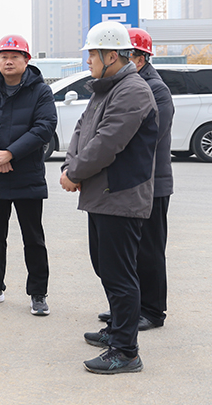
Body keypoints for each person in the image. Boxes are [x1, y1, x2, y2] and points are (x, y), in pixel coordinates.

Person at [60, 21, 159, 374]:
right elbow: (81, 130)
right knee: (105, 269)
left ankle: (126, 351)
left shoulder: (133, 91)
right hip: (102, 195)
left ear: (111, 55)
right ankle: (117, 330)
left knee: (119, 276)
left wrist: (74, 174)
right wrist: (71, 165)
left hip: (120, 196)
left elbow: (107, 142)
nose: (88, 61)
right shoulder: (106, 89)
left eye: (92, 54)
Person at [0, 34, 56, 316]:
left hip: (27, 175)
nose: (8, 61)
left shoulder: (41, 92)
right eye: (4, 56)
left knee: (33, 238)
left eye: (15, 56)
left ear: (26, 60)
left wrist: (11, 154)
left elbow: (44, 127)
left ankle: (38, 294)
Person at [92, 28, 172, 331]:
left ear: (142, 58)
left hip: (151, 183)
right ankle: (128, 308)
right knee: (124, 254)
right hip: (126, 183)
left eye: (133, 55)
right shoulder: (121, 86)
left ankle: (152, 310)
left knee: (149, 251)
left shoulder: (154, 89)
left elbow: (143, 139)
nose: (129, 59)